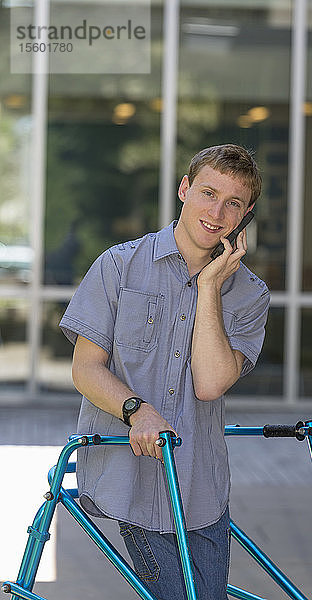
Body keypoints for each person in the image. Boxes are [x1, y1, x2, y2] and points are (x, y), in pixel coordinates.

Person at [59, 143, 270, 600]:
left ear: (246, 214)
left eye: (233, 203)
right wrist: (137, 411)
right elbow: (85, 369)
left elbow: (211, 383)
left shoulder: (250, 294)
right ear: (184, 189)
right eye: (208, 193)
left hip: (201, 486)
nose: (217, 212)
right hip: (131, 477)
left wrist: (211, 286)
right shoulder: (118, 266)